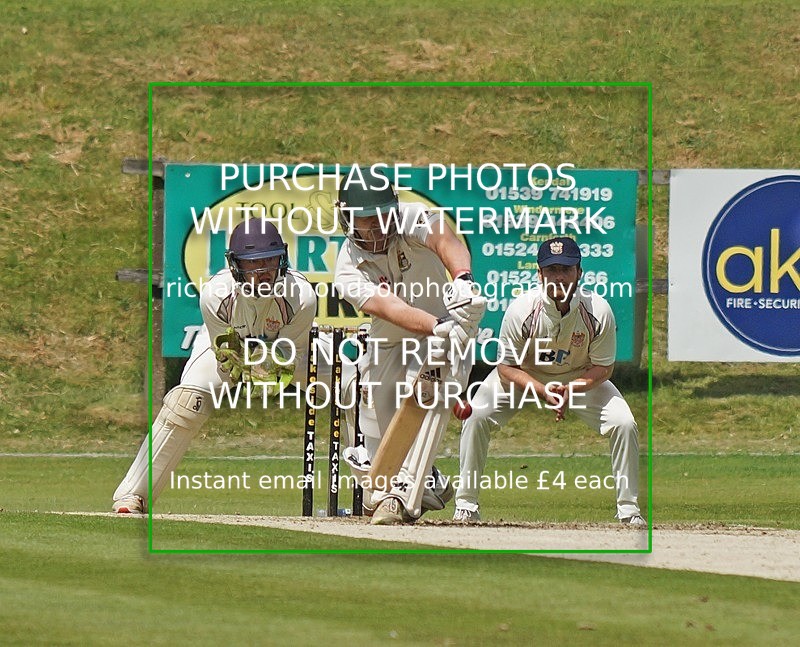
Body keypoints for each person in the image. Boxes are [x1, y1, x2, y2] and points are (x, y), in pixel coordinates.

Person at [112, 218, 316, 513]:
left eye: (269, 260)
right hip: (229, 348)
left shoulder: (302, 296)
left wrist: (268, 371)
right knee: (185, 403)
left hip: (286, 350)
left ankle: (378, 496)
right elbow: (226, 351)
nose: (262, 272)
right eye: (252, 263)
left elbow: (285, 356)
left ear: (281, 258)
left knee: (350, 383)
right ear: (235, 265)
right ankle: (133, 495)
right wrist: (246, 369)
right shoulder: (216, 295)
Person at [453, 236, 645, 526]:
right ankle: (466, 505)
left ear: (579, 273)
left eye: (566, 269)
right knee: (476, 415)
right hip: (525, 375)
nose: (559, 277)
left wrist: (571, 389)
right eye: (552, 269)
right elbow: (505, 367)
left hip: (578, 377)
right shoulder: (522, 310)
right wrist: (543, 390)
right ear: (539, 274)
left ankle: (628, 510)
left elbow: (604, 368)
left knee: (624, 423)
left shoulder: (598, 310)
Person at [334, 168, 486, 525]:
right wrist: (437, 325)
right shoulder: (346, 269)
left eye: (382, 217)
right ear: (347, 219)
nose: (376, 227)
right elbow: (392, 309)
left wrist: (463, 280)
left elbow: (445, 241)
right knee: (386, 427)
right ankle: (430, 482)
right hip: (392, 340)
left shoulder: (411, 217)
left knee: (423, 398)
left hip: (446, 335)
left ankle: (401, 499)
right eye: (365, 220)